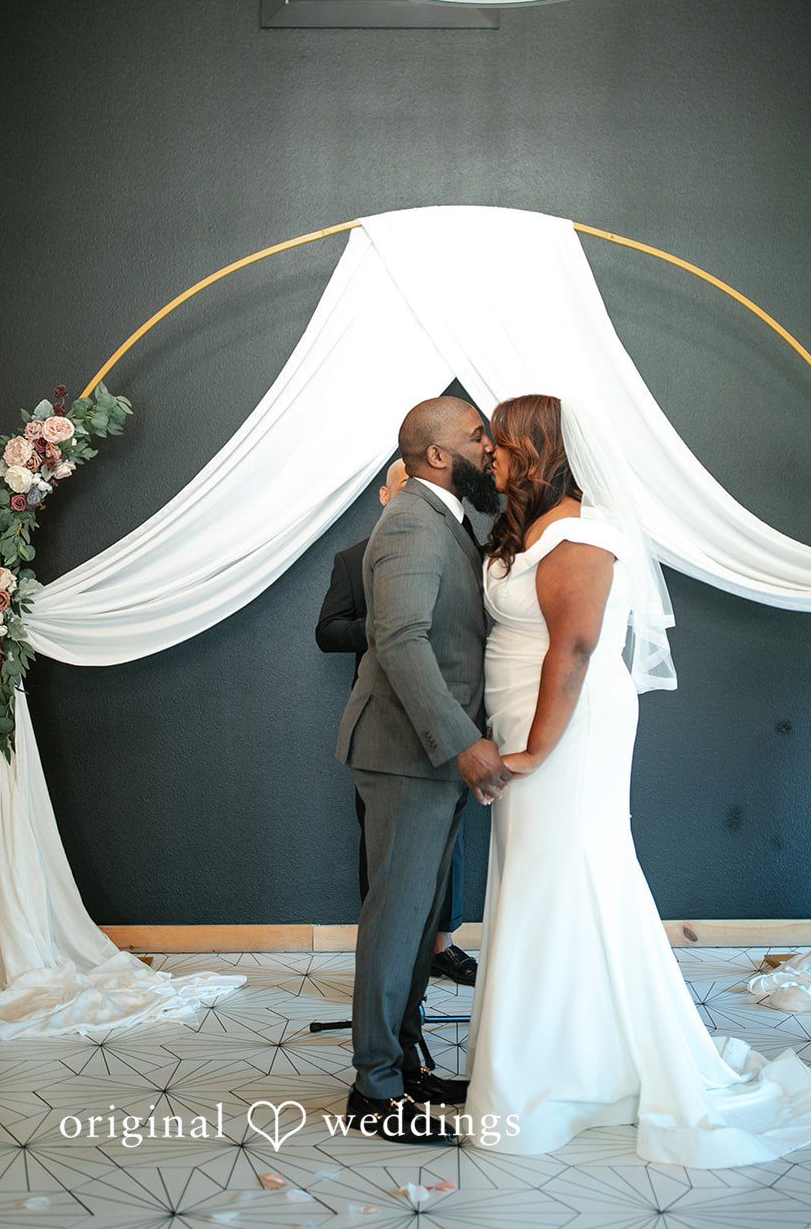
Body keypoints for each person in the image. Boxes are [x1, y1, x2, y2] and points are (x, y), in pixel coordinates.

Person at [461, 394, 811, 1165]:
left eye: (500, 443)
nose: (490, 455)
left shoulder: (580, 535)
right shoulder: (528, 529)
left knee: (567, 874)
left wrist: (534, 752)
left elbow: (574, 647)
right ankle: (575, 1060)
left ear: (538, 452)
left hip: (566, 731)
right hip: (522, 721)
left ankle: (560, 1076)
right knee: (539, 878)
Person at [335, 397, 509, 1145]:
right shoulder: (410, 521)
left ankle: (403, 1064)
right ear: (438, 455)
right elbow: (400, 640)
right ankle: (374, 1090)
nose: (489, 446)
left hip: (426, 758)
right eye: (477, 436)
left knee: (418, 926)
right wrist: (463, 742)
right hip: (406, 755)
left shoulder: (446, 517)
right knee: (395, 924)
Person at [316, 458, 477, 987]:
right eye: (404, 485)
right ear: (386, 497)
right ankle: (387, 959)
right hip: (384, 728)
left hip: (446, 719)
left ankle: (441, 947)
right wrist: (390, 620)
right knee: (380, 851)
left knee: (449, 849)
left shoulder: (459, 545)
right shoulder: (353, 559)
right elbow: (327, 631)